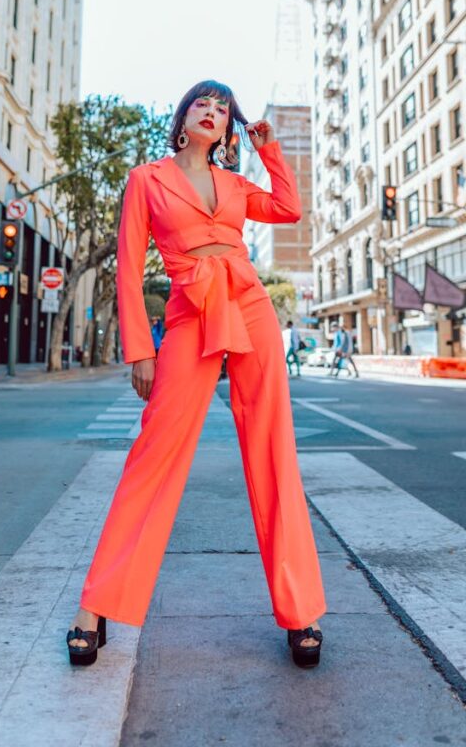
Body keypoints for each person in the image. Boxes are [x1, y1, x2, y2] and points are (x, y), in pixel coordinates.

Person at [67, 81, 326, 670]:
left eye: (223, 108)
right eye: (202, 104)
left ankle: (300, 609)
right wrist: (140, 349)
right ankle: (96, 606)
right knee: (153, 453)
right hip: (189, 310)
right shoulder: (147, 179)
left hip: (250, 305)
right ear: (183, 118)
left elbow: (289, 209)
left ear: (228, 128)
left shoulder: (234, 184)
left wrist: (269, 150)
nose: (213, 111)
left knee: (273, 450)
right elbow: (128, 266)